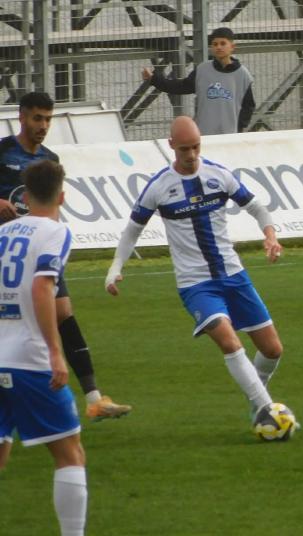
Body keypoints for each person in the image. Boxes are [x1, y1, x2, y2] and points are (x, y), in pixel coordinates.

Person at [105, 116, 284, 424]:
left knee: (272, 350)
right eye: (184, 149)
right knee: (230, 343)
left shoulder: (218, 175)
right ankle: (268, 411)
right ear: (171, 145)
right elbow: (132, 229)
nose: (191, 155)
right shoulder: (159, 186)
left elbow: (257, 207)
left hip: (233, 274)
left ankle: (257, 399)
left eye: (196, 147)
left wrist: (270, 235)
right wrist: (115, 267)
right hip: (196, 285)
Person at [0, 91, 131, 421]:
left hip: (39, 249)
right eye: (37, 118)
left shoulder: (50, 159)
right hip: (8, 253)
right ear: (21, 117)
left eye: (48, 119)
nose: (43, 126)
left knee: (63, 313)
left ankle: (95, 399)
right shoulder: (3, 152)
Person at [0, 160, 88, 536]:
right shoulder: (56, 232)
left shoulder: (3, 232)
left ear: (24, 195)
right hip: (29, 358)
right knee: (70, 452)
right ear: (62, 197)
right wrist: (54, 351)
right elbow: (42, 286)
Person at [142, 27, 255, 135]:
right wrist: (154, 79)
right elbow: (181, 87)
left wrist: (238, 129)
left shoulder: (243, 75)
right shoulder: (203, 70)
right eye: (215, 44)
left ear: (232, 46)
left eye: (223, 43)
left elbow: (248, 107)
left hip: (229, 135)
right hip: (203, 134)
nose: (219, 47)